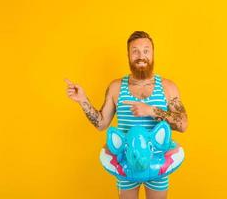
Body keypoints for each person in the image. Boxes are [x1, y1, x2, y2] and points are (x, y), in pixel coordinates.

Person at [64, 31, 188, 199]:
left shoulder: (168, 87)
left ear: (153, 53)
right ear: (128, 55)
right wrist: (83, 100)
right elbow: (101, 124)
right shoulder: (116, 87)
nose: (141, 55)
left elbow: (182, 125)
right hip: (126, 162)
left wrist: (151, 110)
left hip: (157, 162)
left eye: (146, 50)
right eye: (135, 51)